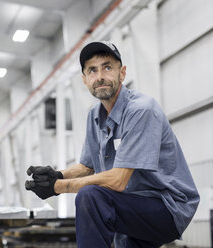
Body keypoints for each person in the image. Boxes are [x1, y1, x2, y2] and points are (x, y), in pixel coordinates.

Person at [25, 41, 200, 248]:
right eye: (92, 70)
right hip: (131, 204)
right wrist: (58, 175)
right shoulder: (94, 116)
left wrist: (58, 187)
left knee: (91, 197)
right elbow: (87, 167)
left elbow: (118, 180)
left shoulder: (141, 110)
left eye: (107, 67)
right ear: (85, 80)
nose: (100, 76)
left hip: (167, 207)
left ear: (122, 73)